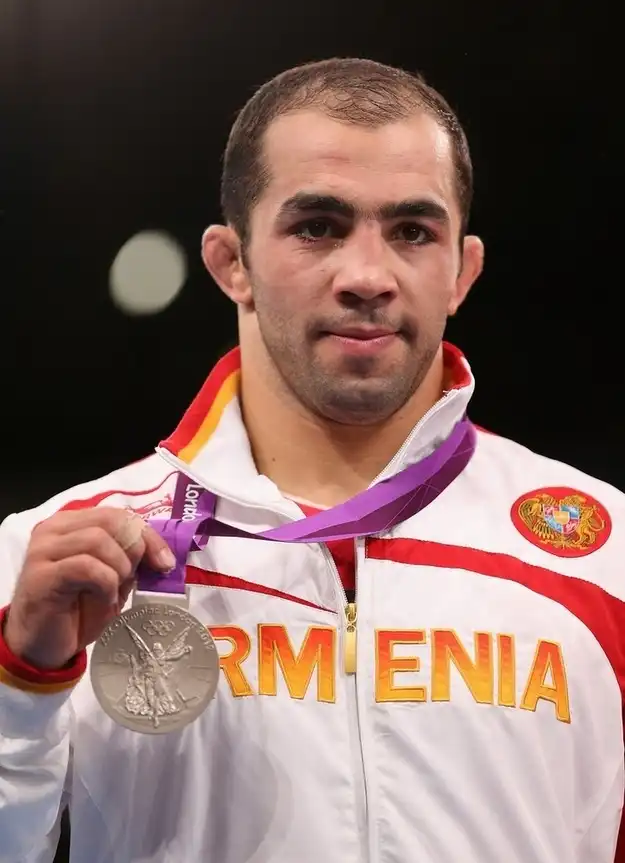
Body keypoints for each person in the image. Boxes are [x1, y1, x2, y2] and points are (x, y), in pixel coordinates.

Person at [0, 57, 624, 863]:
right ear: (231, 263)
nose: (366, 276)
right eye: (317, 227)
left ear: (460, 272)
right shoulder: (53, 558)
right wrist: (23, 680)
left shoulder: (605, 552)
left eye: (412, 231)